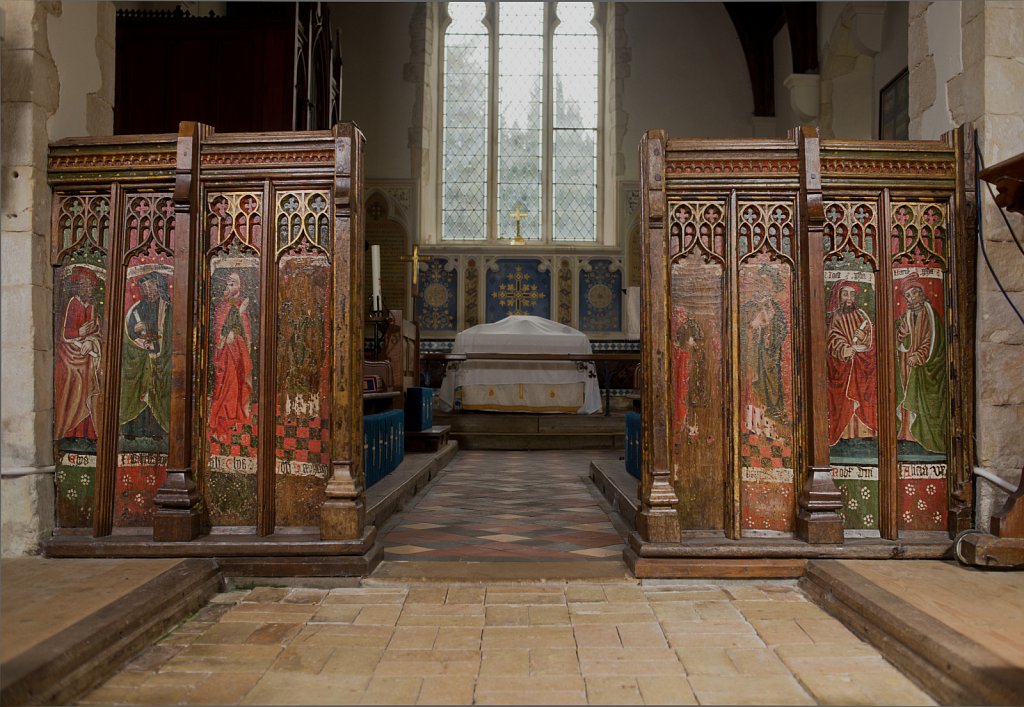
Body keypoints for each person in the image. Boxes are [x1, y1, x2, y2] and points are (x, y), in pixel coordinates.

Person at [895, 272, 948, 454]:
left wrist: (918, 356)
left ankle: (923, 436)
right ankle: (907, 434)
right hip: (909, 365)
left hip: (927, 367)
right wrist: (901, 336)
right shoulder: (908, 315)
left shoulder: (930, 313)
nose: (911, 298)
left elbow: (932, 339)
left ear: (921, 293)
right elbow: (902, 339)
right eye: (907, 296)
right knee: (907, 393)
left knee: (924, 400)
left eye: (914, 293)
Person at [119, 271, 172, 438]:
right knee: (136, 389)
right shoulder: (136, 309)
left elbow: (172, 335)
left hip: (162, 358)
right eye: (144, 287)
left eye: (151, 286)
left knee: (160, 389)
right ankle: (132, 430)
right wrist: (135, 332)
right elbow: (127, 335)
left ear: (159, 287)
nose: (147, 290)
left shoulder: (168, 309)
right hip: (140, 359)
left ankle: (158, 431)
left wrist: (160, 350)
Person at [825, 280, 877, 446]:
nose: (849, 298)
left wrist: (865, 338)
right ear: (839, 296)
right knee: (844, 399)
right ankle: (844, 434)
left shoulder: (862, 315)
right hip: (844, 365)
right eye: (845, 294)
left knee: (864, 395)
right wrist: (844, 349)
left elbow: (871, 334)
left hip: (861, 363)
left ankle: (864, 433)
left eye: (852, 294)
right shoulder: (836, 316)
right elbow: (832, 338)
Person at [55, 268, 102, 440]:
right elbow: (65, 333)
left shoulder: (92, 307)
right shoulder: (72, 303)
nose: (88, 289)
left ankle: (87, 432)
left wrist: (91, 340)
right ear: (78, 287)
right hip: (69, 354)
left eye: (91, 286)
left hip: (86, 353)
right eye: (85, 286)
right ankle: (70, 430)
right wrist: (80, 332)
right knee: (73, 382)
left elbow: (98, 330)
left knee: (92, 382)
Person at [209, 271, 254, 443]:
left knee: (236, 383)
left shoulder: (242, 304)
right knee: (226, 385)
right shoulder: (222, 305)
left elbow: (246, 330)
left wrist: (239, 318)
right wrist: (226, 334)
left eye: (234, 283)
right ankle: (222, 420)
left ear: (240, 286)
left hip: (237, 352)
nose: (230, 286)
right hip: (225, 355)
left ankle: (235, 416)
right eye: (228, 283)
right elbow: (220, 329)